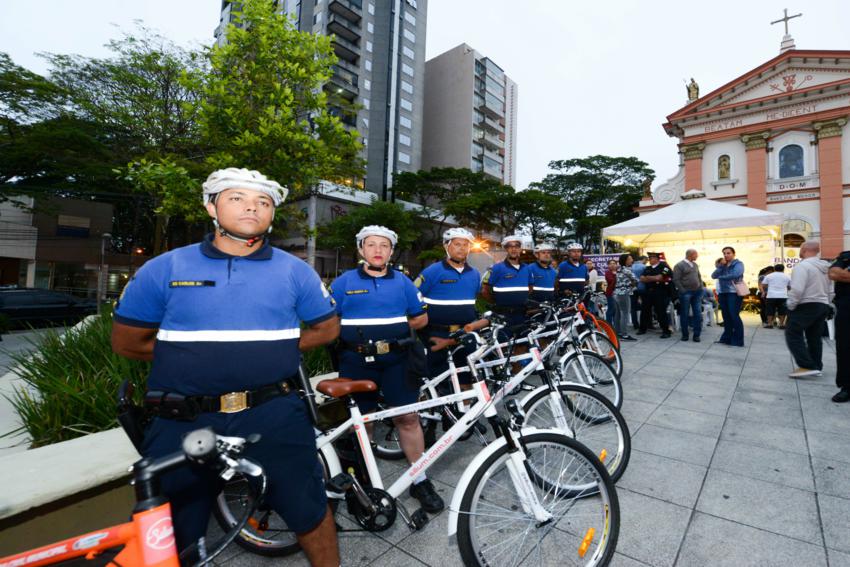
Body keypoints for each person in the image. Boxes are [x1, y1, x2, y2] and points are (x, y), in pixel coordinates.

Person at [111, 168, 341, 565]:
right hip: (183, 418)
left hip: (275, 413)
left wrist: (278, 347)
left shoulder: (295, 269)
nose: (252, 205)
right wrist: (192, 356)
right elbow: (128, 342)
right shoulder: (163, 268)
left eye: (263, 201)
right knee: (173, 527)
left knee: (310, 511)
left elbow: (326, 327)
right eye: (237, 197)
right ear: (210, 206)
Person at [329, 225, 443, 512]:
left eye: (384, 246)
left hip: (397, 360)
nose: (378, 250)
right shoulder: (343, 282)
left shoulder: (403, 282)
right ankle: (364, 481)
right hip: (355, 362)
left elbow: (421, 319)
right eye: (371, 245)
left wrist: (394, 330)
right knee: (363, 421)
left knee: (408, 418)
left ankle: (420, 479)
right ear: (361, 249)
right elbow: (328, 322)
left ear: (391, 252)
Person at [415, 227, 481, 389]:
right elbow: (413, 296)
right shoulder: (432, 271)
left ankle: (464, 411)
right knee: (438, 376)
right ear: (447, 246)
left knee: (467, 374)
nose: (462, 248)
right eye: (458, 244)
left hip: (465, 333)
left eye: (466, 245)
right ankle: (439, 410)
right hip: (437, 333)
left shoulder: (474, 274)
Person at [785, 241, 832, 378]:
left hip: (806, 304)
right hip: (822, 304)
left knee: (792, 334)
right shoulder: (826, 267)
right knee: (814, 337)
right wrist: (827, 303)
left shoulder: (802, 266)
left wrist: (791, 305)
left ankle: (807, 366)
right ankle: (816, 366)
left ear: (804, 250)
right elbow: (831, 290)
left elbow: (797, 289)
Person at [482, 235, 532, 328]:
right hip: (502, 315)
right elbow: (485, 291)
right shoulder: (496, 268)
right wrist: (496, 304)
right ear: (506, 249)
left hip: (522, 314)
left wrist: (521, 299)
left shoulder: (527, 268)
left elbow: (530, 287)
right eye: (510, 246)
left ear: (520, 249)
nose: (514, 249)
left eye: (517, 246)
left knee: (521, 340)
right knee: (503, 341)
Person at [711, 246, 746, 347]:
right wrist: (721, 266)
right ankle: (726, 338)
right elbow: (713, 276)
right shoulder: (723, 265)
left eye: (728, 253)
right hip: (723, 293)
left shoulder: (738, 264)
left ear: (734, 254)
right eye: (724, 253)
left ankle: (738, 341)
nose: (726, 255)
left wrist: (721, 277)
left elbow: (735, 274)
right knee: (726, 316)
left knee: (734, 316)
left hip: (734, 292)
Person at [828, 249, 850, 402]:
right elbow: (834, 273)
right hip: (847, 309)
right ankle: (847, 387)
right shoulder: (846, 257)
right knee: (845, 347)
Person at [637, 252, 673, 338]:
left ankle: (665, 331)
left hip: (660, 292)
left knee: (661, 312)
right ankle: (642, 329)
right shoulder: (647, 268)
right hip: (648, 292)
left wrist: (649, 277)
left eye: (652, 258)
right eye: (649, 258)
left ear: (657, 259)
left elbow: (660, 278)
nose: (650, 259)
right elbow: (642, 279)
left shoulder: (664, 267)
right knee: (645, 311)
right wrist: (653, 278)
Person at [673, 249, 703, 342]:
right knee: (684, 314)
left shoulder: (695, 265)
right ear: (691, 255)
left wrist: (701, 287)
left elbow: (699, 277)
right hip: (686, 293)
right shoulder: (679, 265)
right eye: (696, 255)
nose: (697, 256)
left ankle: (696, 335)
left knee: (698, 313)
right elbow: (676, 280)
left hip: (697, 292)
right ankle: (685, 335)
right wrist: (683, 291)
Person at [613, 253, 638, 341]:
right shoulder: (627, 270)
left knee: (618, 314)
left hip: (616, 293)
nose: (632, 260)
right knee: (625, 313)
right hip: (624, 293)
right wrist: (632, 285)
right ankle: (624, 334)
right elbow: (636, 280)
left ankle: (617, 333)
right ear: (626, 261)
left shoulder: (618, 269)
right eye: (630, 258)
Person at [761, 264, 791, 328]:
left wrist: (768, 289)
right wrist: (786, 289)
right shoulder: (787, 276)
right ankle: (781, 324)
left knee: (770, 310)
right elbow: (789, 286)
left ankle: (769, 324)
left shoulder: (769, 276)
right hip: (783, 296)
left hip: (771, 295)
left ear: (774, 269)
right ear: (783, 269)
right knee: (782, 310)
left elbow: (763, 285)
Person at [631, 255, 648, 328]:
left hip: (633, 288)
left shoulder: (631, 266)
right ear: (644, 259)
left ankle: (635, 324)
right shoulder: (644, 267)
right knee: (645, 305)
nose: (646, 262)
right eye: (646, 261)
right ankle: (644, 323)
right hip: (642, 287)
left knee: (633, 307)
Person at [603, 259, 618, 329]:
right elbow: (611, 281)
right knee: (611, 309)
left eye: (614, 263)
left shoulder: (618, 272)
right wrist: (615, 276)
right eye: (610, 264)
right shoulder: (608, 273)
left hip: (618, 293)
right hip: (610, 293)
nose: (612, 265)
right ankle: (608, 325)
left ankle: (616, 325)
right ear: (608, 265)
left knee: (616, 310)